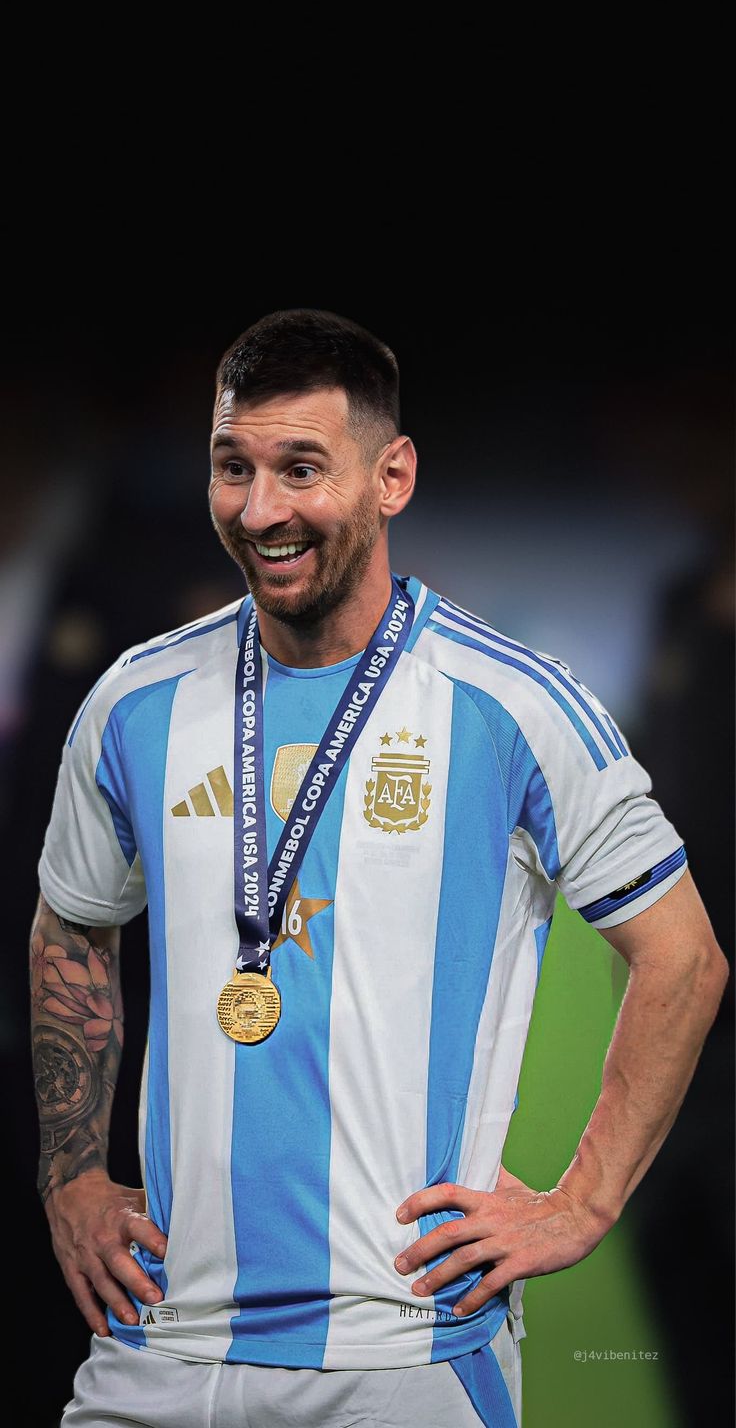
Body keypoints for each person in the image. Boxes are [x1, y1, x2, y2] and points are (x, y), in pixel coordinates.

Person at [31, 307, 729, 1428]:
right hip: (159, 1344)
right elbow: (72, 922)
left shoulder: (512, 703)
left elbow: (682, 957)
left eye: (300, 467)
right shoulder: (133, 698)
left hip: (402, 1350)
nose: (260, 510)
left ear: (391, 474)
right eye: (234, 466)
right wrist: (69, 1173)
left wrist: (580, 1198)